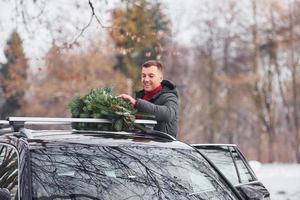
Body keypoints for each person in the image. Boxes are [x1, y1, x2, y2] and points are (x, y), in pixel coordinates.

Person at [119, 60, 179, 138]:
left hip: (162, 148)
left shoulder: (170, 97)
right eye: (143, 76)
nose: (146, 80)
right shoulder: (140, 97)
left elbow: (168, 114)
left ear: (161, 78)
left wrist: (137, 103)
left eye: (151, 76)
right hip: (138, 147)